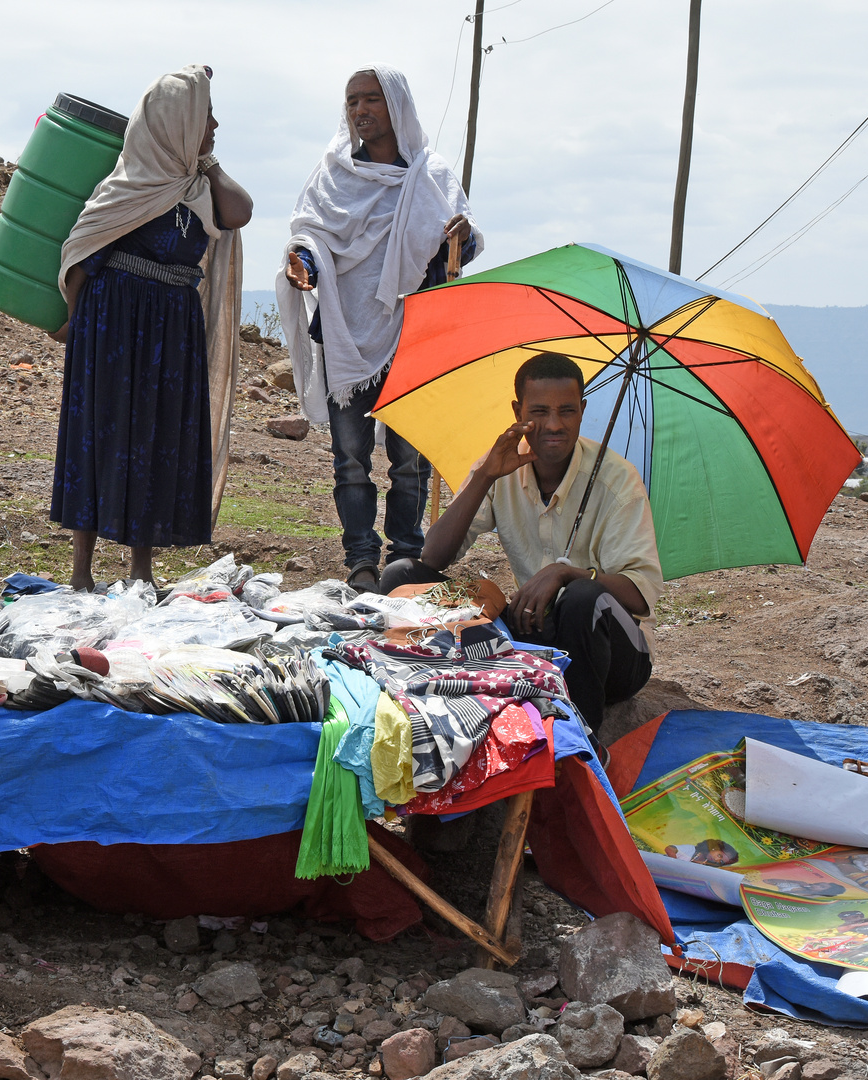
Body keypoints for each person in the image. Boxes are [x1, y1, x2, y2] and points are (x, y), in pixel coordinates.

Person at [276, 65, 482, 594]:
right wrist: (303, 263)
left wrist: (463, 235)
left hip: (415, 334)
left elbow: (461, 241)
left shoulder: (430, 175)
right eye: (352, 102)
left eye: (372, 99)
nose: (361, 110)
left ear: (397, 105)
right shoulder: (332, 175)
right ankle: (362, 563)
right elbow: (312, 236)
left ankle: (408, 562)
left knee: (410, 463)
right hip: (349, 330)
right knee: (350, 460)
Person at [49, 65, 253, 592]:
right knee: (101, 432)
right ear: (174, 122)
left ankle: (142, 569)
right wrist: (74, 321)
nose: (214, 123)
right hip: (112, 323)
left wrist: (206, 161)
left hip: (172, 327)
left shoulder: (197, 188)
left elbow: (242, 210)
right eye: (203, 115)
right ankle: (81, 571)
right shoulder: (124, 185)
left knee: (157, 434)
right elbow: (81, 252)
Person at [383, 352, 660, 735]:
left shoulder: (617, 481)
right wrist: (484, 477)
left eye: (567, 411)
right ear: (518, 411)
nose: (554, 425)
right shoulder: (500, 466)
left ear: (582, 410)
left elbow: (640, 595)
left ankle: (582, 742)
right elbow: (432, 557)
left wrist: (565, 573)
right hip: (536, 636)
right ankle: (420, 702)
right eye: (540, 412)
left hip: (613, 658)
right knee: (401, 575)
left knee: (581, 596)